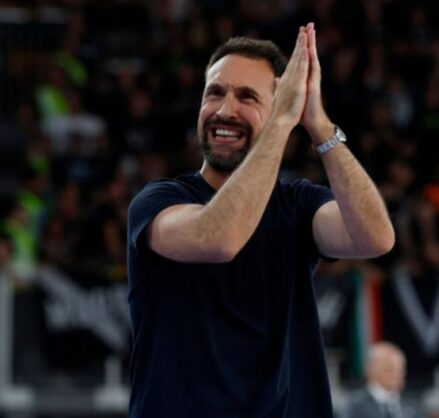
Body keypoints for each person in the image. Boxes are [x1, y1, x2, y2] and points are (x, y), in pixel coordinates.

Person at [126, 23, 395, 418]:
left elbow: (375, 237)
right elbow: (219, 238)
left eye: (247, 97)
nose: (224, 110)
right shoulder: (158, 201)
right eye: (214, 93)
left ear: (279, 109)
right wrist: (280, 123)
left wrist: (318, 124)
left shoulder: (298, 205)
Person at [343, 342, 420, 418]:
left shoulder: (413, 405)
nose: (397, 374)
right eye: (389, 368)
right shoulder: (353, 406)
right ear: (371, 369)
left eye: (400, 369)